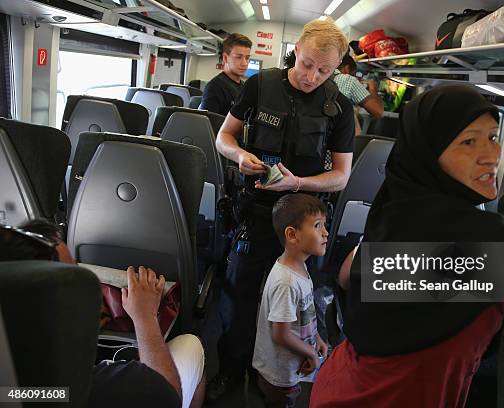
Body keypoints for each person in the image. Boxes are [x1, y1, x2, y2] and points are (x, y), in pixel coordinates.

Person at [310, 85, 504, 407]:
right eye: (468, 141)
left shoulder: (400, 209)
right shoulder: (473, 247)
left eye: (494, 137)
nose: (492, 155)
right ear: (429, 155)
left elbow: (349, 273)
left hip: (343, 383)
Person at [207, 18, 354, 402]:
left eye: (324, 70)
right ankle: (231, 370)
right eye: (307, 64)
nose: (312, 76)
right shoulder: (259, 85)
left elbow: (340, 176)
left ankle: (281, 378)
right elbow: (223, 136)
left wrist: (300, 183)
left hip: (305, 222)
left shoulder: (340, 107)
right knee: (241, 297)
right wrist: (239, 155)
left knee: (297, 305)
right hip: (256, 212)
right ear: (295, 52)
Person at [0, 220, 206, 408]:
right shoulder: (96, 388)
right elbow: (168, 395)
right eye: (72, 277)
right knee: (191, 344)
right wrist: (145, 317)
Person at [252, 194, 329, 407]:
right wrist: (311, 353)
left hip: (293, 361)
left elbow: (304, 314)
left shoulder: (300, 267)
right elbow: (281, 334)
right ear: (292, 235)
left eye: (324, 225)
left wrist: (317, 339)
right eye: (317, 225)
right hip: (280, 373)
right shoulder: (286, 282)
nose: (326, 232)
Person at [198, 32, 252, 115]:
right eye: (238, 57)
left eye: (247, 58)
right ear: (226, 58)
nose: (244, 63)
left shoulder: (244, 86)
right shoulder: (215, 87)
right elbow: (208, 124)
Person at [333, 53, 384, 131]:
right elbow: (378, 112)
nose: (353, 77)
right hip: (336, 137)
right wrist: (373, 89)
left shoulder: (323, 75)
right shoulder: (349, 80)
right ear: (347, 68)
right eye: (352, 74)